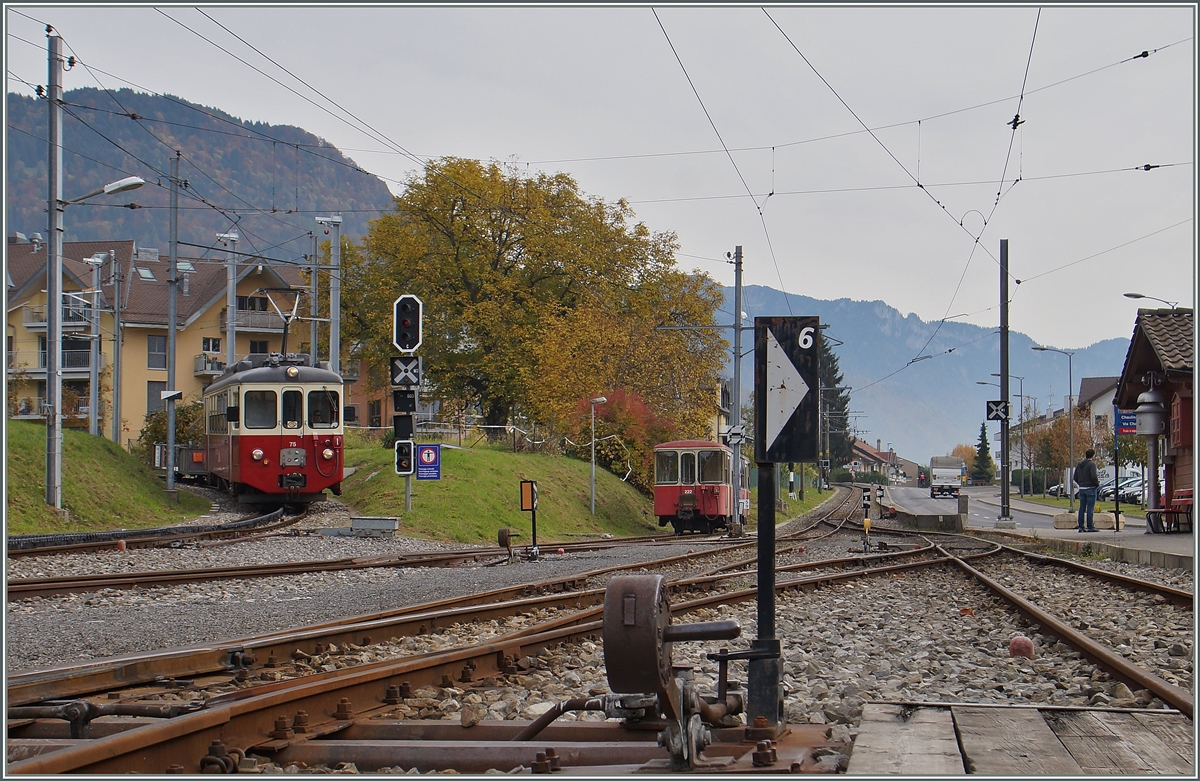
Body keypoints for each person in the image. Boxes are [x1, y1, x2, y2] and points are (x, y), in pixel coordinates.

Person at [1073, 449, 1100, 532]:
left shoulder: (1079, 464)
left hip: (1082, 488)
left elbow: (1075, 477)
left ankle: (1081, 526)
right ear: (1093, 456)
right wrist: (1096, 484)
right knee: (1090, 508)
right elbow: (1094, 476)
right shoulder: (1092, 464)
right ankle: (1090, 526)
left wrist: (1080, 483)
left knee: (1082, 508)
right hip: (1090, 488)